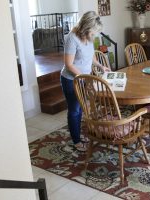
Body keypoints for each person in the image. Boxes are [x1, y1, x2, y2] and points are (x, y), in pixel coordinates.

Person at [60, 11, 110, 151]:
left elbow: (91, 57)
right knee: (74, 109)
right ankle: (76, 141)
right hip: (71, 80)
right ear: (85, 27)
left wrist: (101, 66)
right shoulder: (72, 38)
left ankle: (79, 134)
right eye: (93, 32)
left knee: (81, 107)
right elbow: (69, 64)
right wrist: (85, 78)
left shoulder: (88, 37)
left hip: (84, 78)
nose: (94, 35)